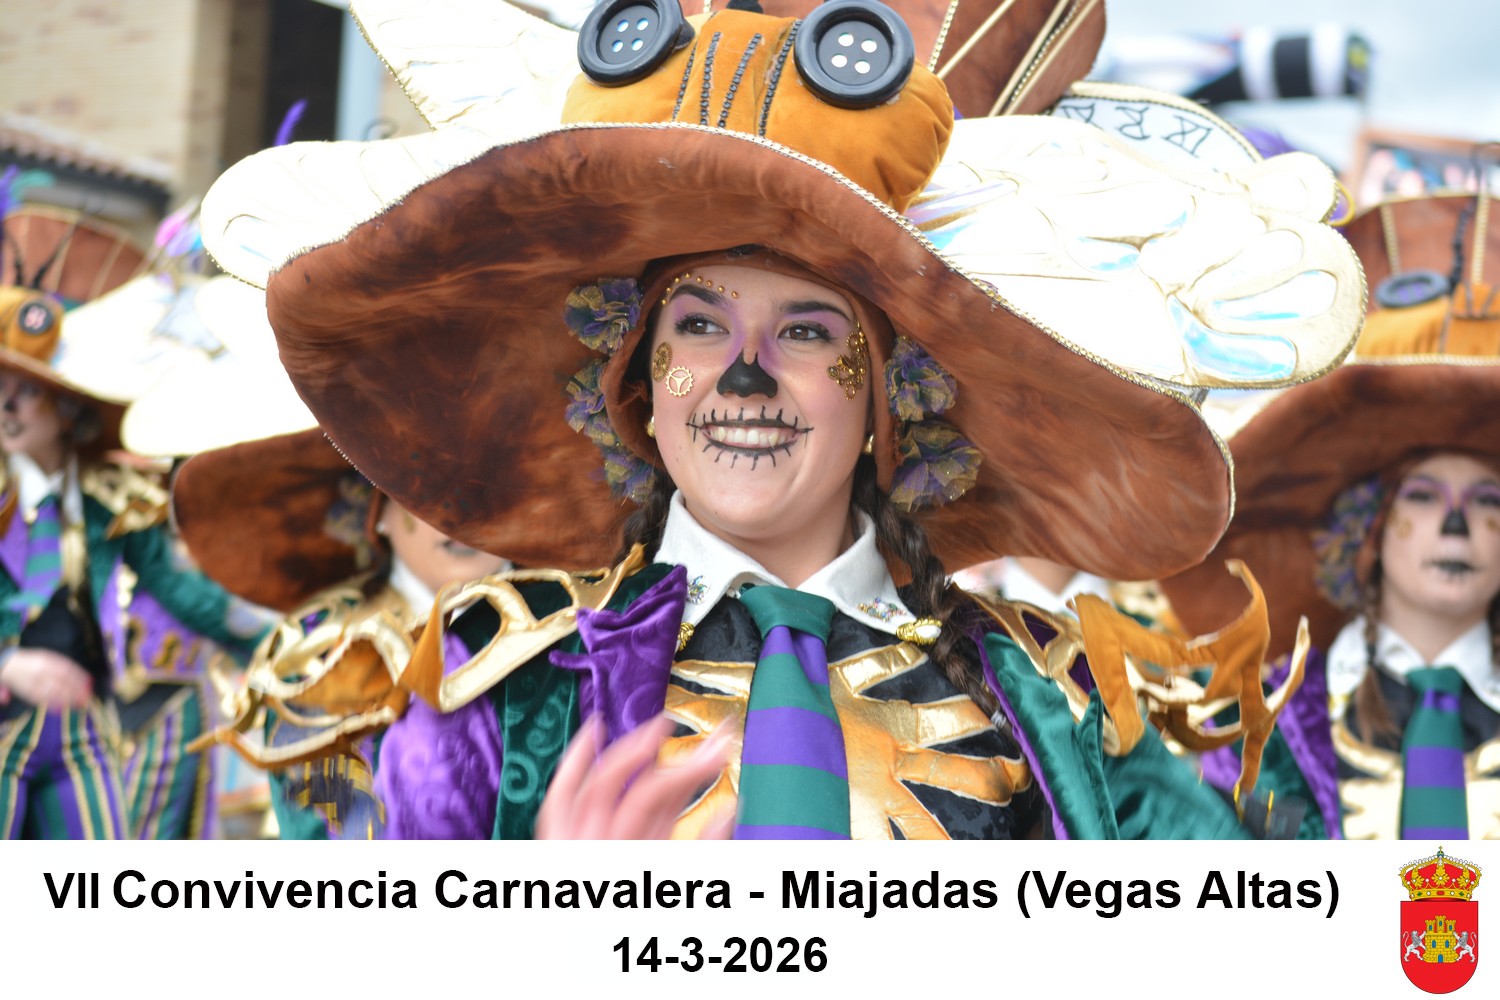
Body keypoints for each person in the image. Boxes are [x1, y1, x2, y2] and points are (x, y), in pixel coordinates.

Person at [197, 0, 1366, 838]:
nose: (743, 377)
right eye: (699, 326)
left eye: (806, 332)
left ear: (892, 397)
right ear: (639, 388)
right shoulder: (498, 688)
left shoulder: (1050, 700)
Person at [1161, 190, 1500, 839]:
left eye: (1488, 502)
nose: (1454, 526)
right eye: (1422, 496)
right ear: (1367, 530)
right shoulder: (1255, 735)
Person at [0, 224, 264, 839]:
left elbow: (176, 585)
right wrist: (8, 664)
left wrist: (276, 641)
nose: (5, 408)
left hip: (83, 723)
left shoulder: (107, 497)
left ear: (65, 407)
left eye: (24, 391)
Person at [176, 427, 513, 838]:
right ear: (377, 509)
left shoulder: (577, 623)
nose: (459, 511)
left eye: (484, 482)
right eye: (425, 486)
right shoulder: (318, 647)